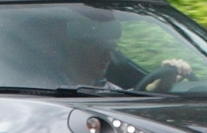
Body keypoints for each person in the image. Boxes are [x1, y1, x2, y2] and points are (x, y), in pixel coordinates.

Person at [61, 17, 193, 92]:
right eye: (99, 49)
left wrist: (164, 82)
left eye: (112, 50)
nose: (108, 57)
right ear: (74, 49)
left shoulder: (107, 89)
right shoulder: (50, 88)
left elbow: (129, 98)